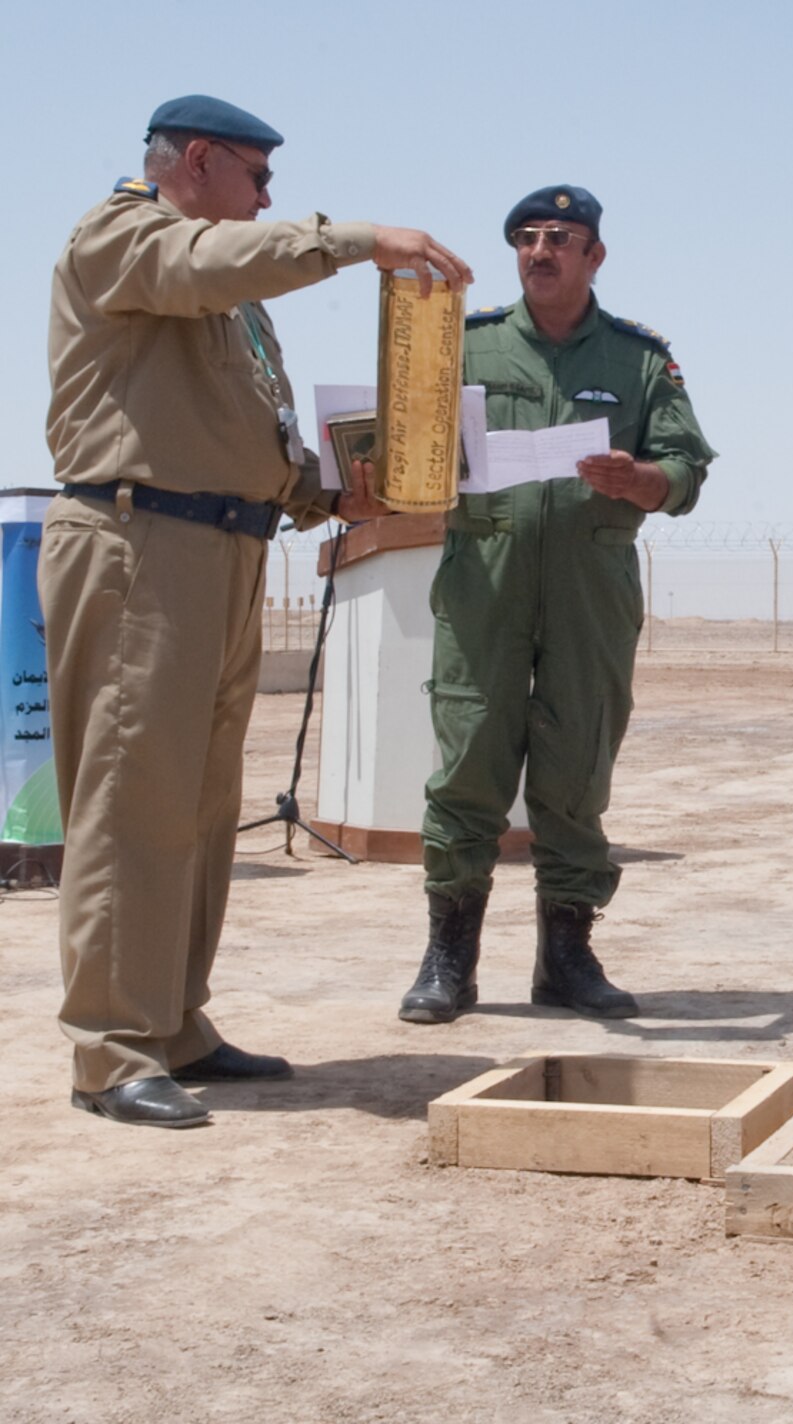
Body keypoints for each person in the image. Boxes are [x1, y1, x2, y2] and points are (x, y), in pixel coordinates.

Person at [44, 95, 471, 1128]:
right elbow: (207, 266)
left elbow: (254, 429)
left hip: (223, 548)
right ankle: (111, 1049)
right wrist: (361, 240)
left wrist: (330, 493)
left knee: (195, 804)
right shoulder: (125, 235)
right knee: (131, 795)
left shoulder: (237, 306)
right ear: (198, 160)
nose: (268, 198)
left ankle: (173, 1020)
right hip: (137, 544)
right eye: (257, 177)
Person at [397, 185, 716, 1025]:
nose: (541, 251)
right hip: (484, 582)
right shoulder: (465, 345)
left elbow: (685, 468)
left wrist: (644, 480)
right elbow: (409, 447)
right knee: (468, 764)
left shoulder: (639, 359)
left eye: (561, 238)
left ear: (594, 256)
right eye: (528, 238)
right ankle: (449, 959)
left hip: (590, 586)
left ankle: (567, 957)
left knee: (576, 768)